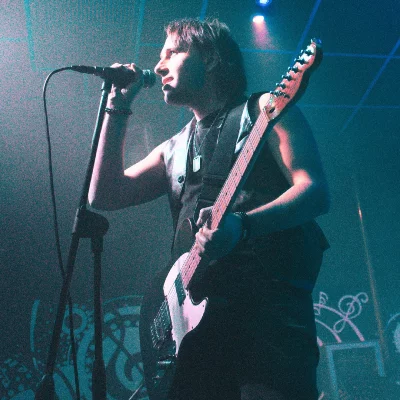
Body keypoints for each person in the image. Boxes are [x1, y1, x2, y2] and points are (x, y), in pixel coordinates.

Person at [89, 18, 330, 400]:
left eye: (172, 52)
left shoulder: (264, 110)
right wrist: (117, 106)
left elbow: (314, 192)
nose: (160, 66)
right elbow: (104, 195)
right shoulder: (174, 148)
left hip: (267, 321)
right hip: (196, 336)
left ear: (211, 58)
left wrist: (244, 225)